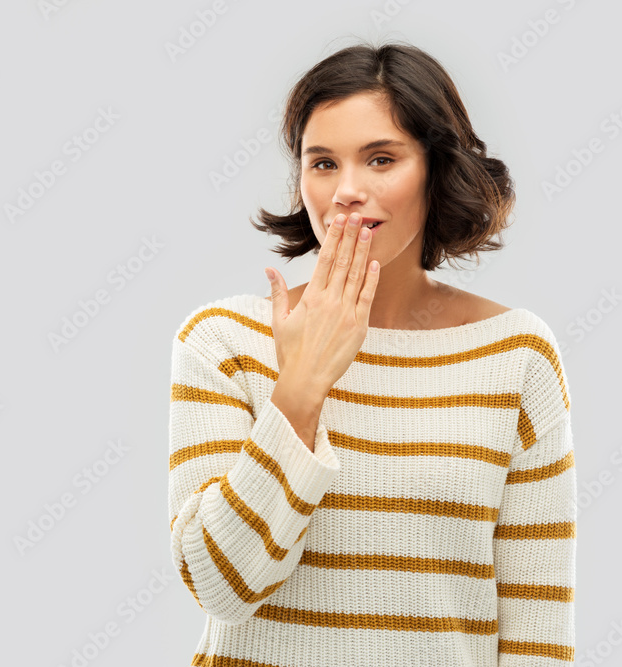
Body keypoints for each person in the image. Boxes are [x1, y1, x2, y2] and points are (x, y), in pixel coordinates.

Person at [168, 40, 576, 666]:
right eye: (323, 163)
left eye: (381, 159)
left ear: (437, 169)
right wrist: (301, 385)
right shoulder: (224, 341)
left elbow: (537, 634)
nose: (346, 191)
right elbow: (221, 587)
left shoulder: (517, 358)